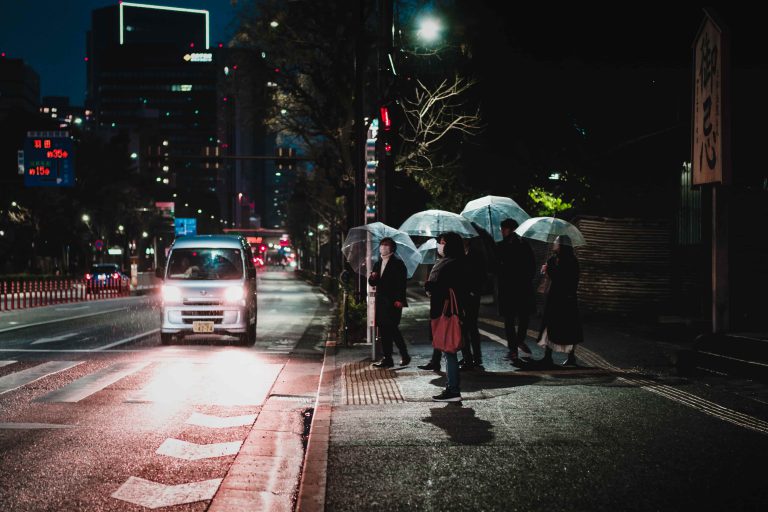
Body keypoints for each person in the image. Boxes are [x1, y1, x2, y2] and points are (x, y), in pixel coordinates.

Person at [424, 232, 467, 402]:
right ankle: (451, 388)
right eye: (439, 242)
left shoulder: (451, 264)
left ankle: (453, 390)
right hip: (446, 312)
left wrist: (429, 286)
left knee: (449, 352)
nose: (440, 245)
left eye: (443, 242)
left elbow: (444, 288)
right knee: (448, 352)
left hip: (446, 313)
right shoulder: (454, 262)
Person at [537, 235, 583, 366]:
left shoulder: (571, 261)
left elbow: (565, 279)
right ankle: (547, 356)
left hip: (567, 299)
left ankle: (571, 356)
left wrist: (550, 270)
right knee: (549, 326)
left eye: (556, 241)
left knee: (569, 328)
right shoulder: (552, 259)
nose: (554, 243)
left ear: (563, 244)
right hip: (553, 298)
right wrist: (544, 270)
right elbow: (550, 277)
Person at [495, 218, 536, 367]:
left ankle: (514, 347)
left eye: (503, 228)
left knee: (511, 320)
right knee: (519, 318)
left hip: (512, 288)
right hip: (519, 288)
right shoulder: (522, 245)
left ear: (510, 229)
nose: (501, 231)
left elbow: (495, 268)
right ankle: (517, 343)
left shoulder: (505, 246)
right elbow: (532, 266)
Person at [369, 237, 411, 368]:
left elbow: (401, 283)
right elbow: (372, 283)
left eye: (386, 245)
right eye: (382, 244)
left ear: (392, 248)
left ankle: (404, 355)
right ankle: (387, 358)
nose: (383, 247)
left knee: (393, 329)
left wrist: (400, 299)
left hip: (393, 302)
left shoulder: (398, 263)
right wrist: (372, 277)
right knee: (383, 330)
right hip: (381, 303)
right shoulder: (378, 263)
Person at [458, 234, 487, 370]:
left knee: (471, 326)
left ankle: (475, 357)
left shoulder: (476, 254)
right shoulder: (458, 254)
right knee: (463, 327)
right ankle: (468, 356)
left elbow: (481, 274)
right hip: (461, 294)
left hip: (472, 295)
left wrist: (475, 291)